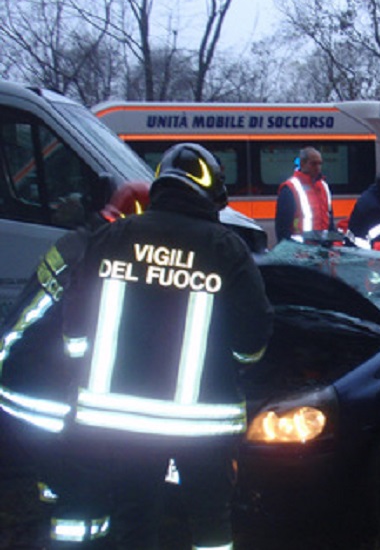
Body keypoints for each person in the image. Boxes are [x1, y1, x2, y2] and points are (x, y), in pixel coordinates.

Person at [46, 142, 273, 549]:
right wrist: (237, 364)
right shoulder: (227, 249)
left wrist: (82, 372)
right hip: (203, 426)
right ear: (211, 194)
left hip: (120, 422)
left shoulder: (111, 237)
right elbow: (252, 340)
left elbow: (74, 327)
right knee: (210, 525)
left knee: (136, 517)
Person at [0, 181, 152, 509]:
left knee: (61, 479)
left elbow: (26, 312)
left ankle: (55, 506)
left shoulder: (73, 244)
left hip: (24, 387)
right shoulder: (117, 258)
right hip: (51, 401)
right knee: (81, 495)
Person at [274, 146, 334, 242]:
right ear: (302, 163)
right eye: (313, 164)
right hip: (300, 250)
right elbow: (282, 227)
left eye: (320, 163)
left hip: (322, 248)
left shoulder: (323, 186)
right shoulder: (290, 188)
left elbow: (329, 219)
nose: (318, 167)